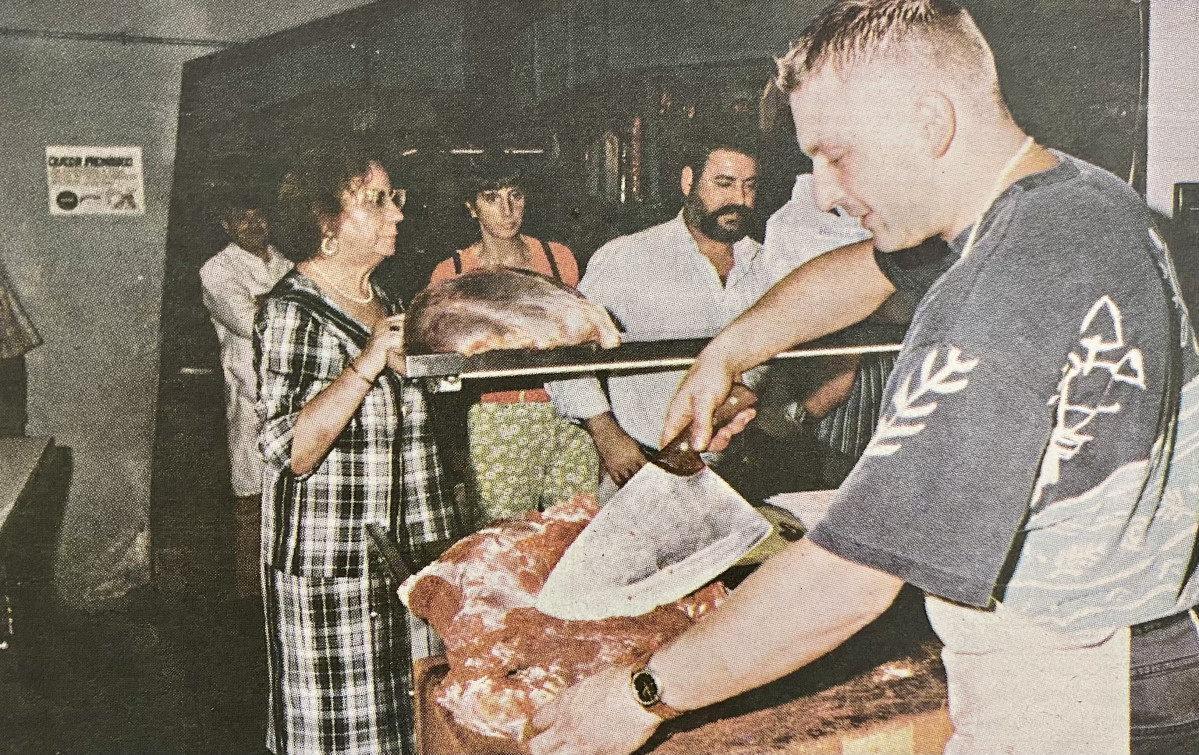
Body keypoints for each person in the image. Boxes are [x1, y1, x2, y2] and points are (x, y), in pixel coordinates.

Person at [530, 2, 1199, 754]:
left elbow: (849, 579)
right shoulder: (1076, 199)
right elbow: (865, 272)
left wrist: (640, 693)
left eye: (835, 153)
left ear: (928, 121)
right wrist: (728, 351)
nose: (819, 192)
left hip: (1081, 688)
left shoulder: (999, 289)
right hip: (1143, 643)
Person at [256, 146, 467, 755]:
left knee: (418, 725)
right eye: (376, 200)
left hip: (412, 555)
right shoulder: (293, 311)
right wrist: (369, 361)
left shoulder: (390, 301)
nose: (396, 214)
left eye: (395, 198)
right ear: (326, 219)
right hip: (334, 567)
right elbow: (291, 447)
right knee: (341, 740)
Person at [548, 133, 810, 500]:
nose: (739, 199)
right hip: (645, 463)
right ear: (688, 182)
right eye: (724, 184)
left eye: (749, 186)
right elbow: (566, 353)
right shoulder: (628, 257)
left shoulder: (770, 264)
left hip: (741, 468)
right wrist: (607, 435)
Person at [428, 164, 599, 526]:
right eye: (492, 199)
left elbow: (583, 335)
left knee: (575, 527)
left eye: (515, 196)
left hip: (569, 410)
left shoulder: (558, 258)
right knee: (506, 536)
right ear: (471, 207)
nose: (507, 211)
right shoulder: (452, 271)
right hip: (497, 416)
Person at [199, 199, 292, 598]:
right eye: (242, 217)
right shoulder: (217, 270)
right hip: (251, 394)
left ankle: (283, 590)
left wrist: (266, 300)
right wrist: (283, 305)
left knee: (292, 497)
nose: (253, 224)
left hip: (298, 393)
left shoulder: (288, 263)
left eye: (259, 214)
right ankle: (248, 599)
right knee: (253, 499)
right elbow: (255, 324)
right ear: (226, 224)